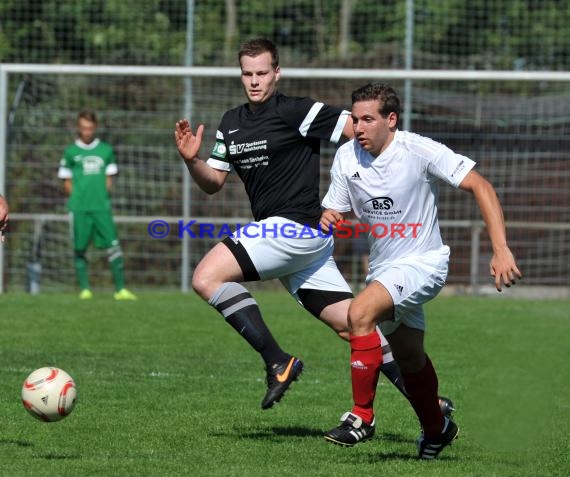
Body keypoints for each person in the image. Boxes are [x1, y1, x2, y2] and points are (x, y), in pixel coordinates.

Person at [174, 38, 445, 412]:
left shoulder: (297, 111)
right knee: (354, 326)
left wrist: (367, 196)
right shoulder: (230, 123)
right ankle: (429, 404)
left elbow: (359, 131)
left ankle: (276, 360)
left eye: (262, 73)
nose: (255, 81)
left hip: (293, 227)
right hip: (300, 245)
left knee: (206, 277)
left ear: (277, 73)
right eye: (247, 74)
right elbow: (213, 183)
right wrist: (192, 161)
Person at [320, 82, 522, 459]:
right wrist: (330, 217)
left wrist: (500, 248)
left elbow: (480, 185)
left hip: (424, 264)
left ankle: (361, 417)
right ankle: (437, 429)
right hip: (384, 269)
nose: (358, 127)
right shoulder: (346, 157)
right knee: (410, 358)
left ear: (391, 120)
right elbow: (335, 210)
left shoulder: (417, 150)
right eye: (355, 119)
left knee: (359, 312)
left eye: (368, 119)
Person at [58, 109, 137, 301]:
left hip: (101, 207)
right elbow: (65, 179)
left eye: (90, 128)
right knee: (79, 248)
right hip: (79, 209)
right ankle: (85, 289)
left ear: (95, 128)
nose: (87, 132)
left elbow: (110, 177)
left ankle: (120, 289)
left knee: (113, 246)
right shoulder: (71, 152)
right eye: (84, 128)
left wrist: (101, 195)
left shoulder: (105, 150)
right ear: (78, 127)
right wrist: (77, 197)